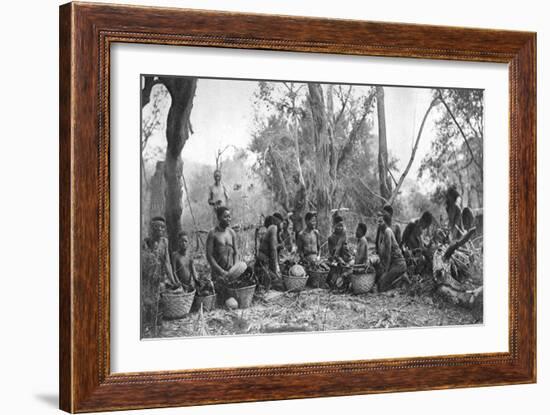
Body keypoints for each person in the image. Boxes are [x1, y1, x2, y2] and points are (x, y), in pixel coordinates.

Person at [376, 212, 407, 292]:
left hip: (398, 264)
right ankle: (397, 280)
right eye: (378, 222)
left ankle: (402, 279)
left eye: (381, 222)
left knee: (382, 285)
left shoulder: (387, 232)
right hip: (393, 264)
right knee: (379, 281)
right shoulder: (382, 233)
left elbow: (388, 253)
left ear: (385, 222)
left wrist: (386, 270)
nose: (379, 224)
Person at [206, 206, 238, 282]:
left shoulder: (232, 233)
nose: (229, 219)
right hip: (218, 274)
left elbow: (236, 253)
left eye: (229, 217)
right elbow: (209, 256)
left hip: (230, 273)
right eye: (226, 217)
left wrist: (234, 269)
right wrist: (221, 271)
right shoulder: (213, 233)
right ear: (219, 218)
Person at [256, 213, 284, 290]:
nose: (283, 225)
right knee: (280, 285)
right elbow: (273, 250)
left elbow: (274, 248)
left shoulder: (274, 231)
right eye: (282, 222)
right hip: (263, 265)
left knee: (280, 281)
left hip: (266, 263)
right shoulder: (273, 228)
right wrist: (276, 269)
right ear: (278, 221)